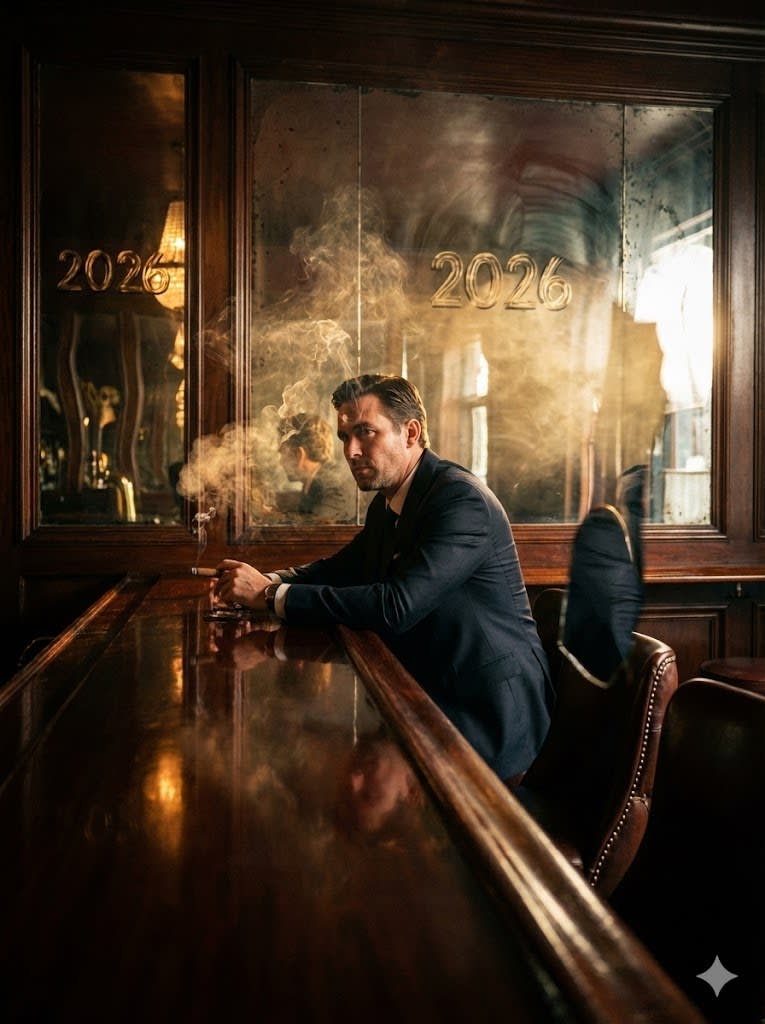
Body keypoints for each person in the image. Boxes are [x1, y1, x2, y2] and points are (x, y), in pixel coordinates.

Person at [212, 373, 554, 783]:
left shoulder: (460, 500)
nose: (351, 451)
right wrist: (265, 580)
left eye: (365, 433)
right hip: (429, 688)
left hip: (487, 711)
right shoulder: (390, 500)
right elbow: (339, 569)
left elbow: (397, 607)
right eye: (343, 437)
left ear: (411, 432)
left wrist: (269, 595)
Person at [276, 412, 354, 521]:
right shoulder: (313, 481)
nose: (281, 462)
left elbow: (312, 527)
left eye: (283, 454)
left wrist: (274, 517)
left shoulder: (334, 486)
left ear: (299, 454)